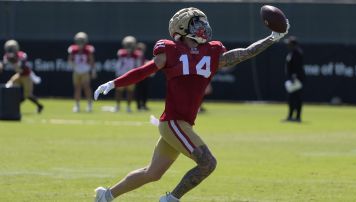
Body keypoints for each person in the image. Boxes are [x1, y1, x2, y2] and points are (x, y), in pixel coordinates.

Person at [93, 7, 289, 202]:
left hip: (183, 123)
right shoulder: (170, 49)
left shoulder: (211, 51)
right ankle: (171, 199)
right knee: (207, 163)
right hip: (173, 122)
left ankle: (106, 195)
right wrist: (113, 83)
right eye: (196, 22)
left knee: (152, 173)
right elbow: (146, 70)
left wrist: (272, 37)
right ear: (182, 28)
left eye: (203, 21)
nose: (203, 26)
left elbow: (244, 53)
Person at [1, 40, 44, 113]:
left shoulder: (21, 55)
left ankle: (39, 106)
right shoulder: (7, 57)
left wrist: (14, 60)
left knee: (27, 95)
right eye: (9, 48)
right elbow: (3, 65)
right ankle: (11, 105)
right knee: (8, 86)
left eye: (12, 48)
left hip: (27, 75)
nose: (11, 50)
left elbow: (22, 67)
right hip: (19, 75)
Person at [68, 32, 96, 113]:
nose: (80, 42)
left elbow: (91, 60)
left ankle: (89, 104)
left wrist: (93, 71)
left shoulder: (88, 49)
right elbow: (69, 60)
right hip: (77, 71)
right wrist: (74, 65)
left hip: (85, 71)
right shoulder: (73, 49)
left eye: (82, 40)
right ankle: (77, 105)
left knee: (86, 87)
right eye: (79, 40)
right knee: (77, 88)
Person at [114, 36, 143, 112]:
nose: (129, 46)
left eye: (130, 44)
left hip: (131, 75)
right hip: (122, 74)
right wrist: (117, 73)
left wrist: (137, 75)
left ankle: (128, 107)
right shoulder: (121, 53)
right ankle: (117, 106)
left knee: (130, 91)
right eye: (128, 44)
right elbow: (119, 64)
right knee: (119, 91)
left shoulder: (137, 54)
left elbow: (139, 65)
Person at [284, 36, 305, 122]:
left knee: (297, 98)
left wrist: (294, 76)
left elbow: (298, 67)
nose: (287, 45)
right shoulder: (292, 52)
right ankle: (291, 116)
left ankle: (297, 117)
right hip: (293, 79)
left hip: (297, 79)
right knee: (291, 98)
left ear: (292, 44)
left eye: (289, 44)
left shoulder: (297, 53)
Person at [135, 42, 150, 111]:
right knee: (138, 91)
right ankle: (138, 106)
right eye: (140, 48)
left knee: (145, 91)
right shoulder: (136, 55)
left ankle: (143, 105)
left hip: (145, 75)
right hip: (138, 75)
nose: (141, 50)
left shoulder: (143, 55)